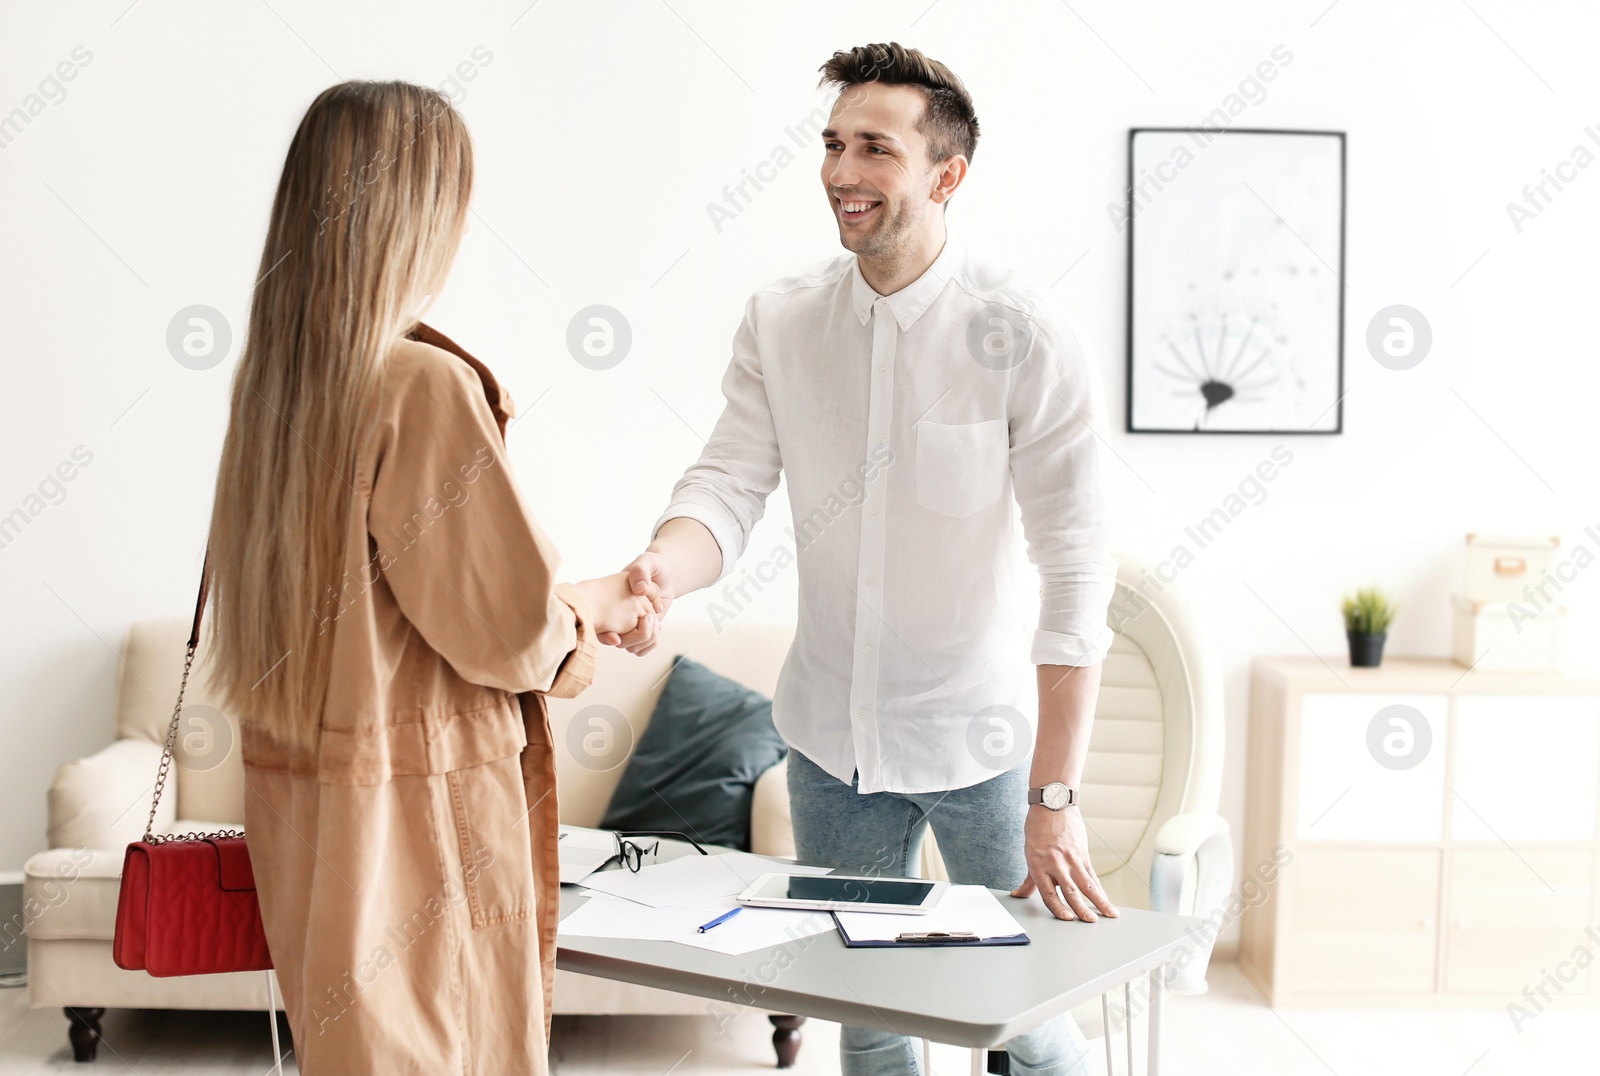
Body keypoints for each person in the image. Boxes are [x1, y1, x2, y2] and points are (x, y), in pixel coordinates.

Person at [601, 43, 1116, 1075]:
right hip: (831, 743)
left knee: (1023, 1013)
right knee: (870, 1014)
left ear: (945, 174)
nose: (841, 170)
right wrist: (665, 561)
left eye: (874, 147)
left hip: (984, 747)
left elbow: (1075, 570)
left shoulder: (1025, 335)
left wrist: (1053, 799)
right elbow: (727, 484)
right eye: (833, 144)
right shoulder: (783, 320)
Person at [202, 80, 658, 1074]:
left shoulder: (279, 381)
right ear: (414, 212)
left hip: (312, 803)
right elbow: (504, 628)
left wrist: (576, 602)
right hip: (423, 813)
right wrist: (584, 625)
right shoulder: (419, 383)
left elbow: (403, 605)